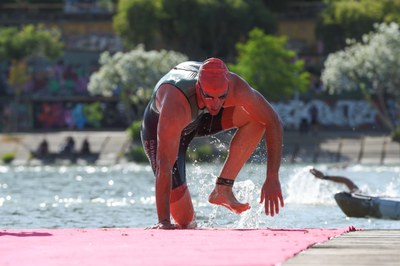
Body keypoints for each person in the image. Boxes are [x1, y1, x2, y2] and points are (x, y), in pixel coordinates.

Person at [141, 58, 284, 229]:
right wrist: (163, 221)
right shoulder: (175, 105)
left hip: (199, 118)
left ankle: (223, 188)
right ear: (198, 88)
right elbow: (164, 165)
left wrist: (273, 176)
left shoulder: (236, 87)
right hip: (162, 128)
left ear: (227, 86)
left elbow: (273, 121)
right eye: (210, 97)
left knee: (257, 119)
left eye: (221, 97)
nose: (216, 104)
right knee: (186, 223)